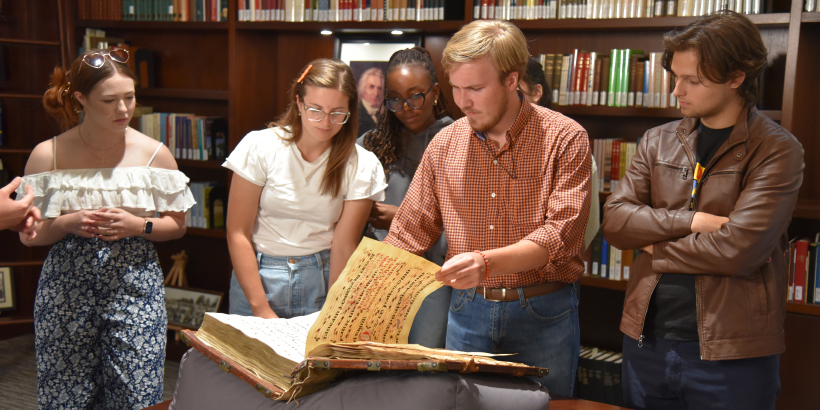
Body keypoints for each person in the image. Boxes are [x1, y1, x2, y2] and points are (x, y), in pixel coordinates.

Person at [601, 11, 803, 410]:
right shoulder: (657, 141)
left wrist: (656, 249)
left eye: (692, 80)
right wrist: (691, 221)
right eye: (675, 77)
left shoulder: (778, 149)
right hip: (646, 341)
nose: (677, 91)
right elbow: (616, 222)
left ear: (736, 77)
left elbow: (740, 250)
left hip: (732, 353)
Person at [383, 20, 592, 397]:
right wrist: (362, 294)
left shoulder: (565, 137)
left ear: (512, 80)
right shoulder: (444, 144)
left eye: (476, 88)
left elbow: (561, 234)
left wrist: (487, 262)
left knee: (548, 406)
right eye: (457, 88)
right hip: (468, 309)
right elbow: (408, 231)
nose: (463, 101)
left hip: (543, 309)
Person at [19, 48, 194, 409]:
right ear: (81, 99)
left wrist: (137, 225)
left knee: (136, 393)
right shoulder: (46, 155)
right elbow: (29, 235)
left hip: (134, 284)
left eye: (129, 97)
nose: (124, 109)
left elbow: (177, 226)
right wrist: (66, 223)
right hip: (65, 286)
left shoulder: (155, 154)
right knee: (65, 394)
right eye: (110, 100)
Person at [224, 58, 387, 319]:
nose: (325, 121)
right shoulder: (260, 146)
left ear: (350, 110)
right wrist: (261, 308)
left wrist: (333, 312)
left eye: (337, 113)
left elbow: (343, 245)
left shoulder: (361, 163)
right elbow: (237, 233)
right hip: (258, 276)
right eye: (316, 110)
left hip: (320, 277)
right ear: (298, 103)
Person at [359, 47, 455, 348]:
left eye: (416, 96)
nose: (406, 107)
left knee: (424, 367)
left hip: (435, 280)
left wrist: (400, 217)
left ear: (435, 92)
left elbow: (466, 225)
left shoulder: (459, 141)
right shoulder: (371, 144)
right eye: (395, 98)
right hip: (379, 276)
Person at [519, 57, 600, 250]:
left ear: (537, 92)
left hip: (551, 273)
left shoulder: (568, 144)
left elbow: (587, 228)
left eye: (516, 92)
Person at [356, 67, 385, 135]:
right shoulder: (356, 115)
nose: (376, 93)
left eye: (379, 88)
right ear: (363, 89)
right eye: (371, 87)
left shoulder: (380, 114)